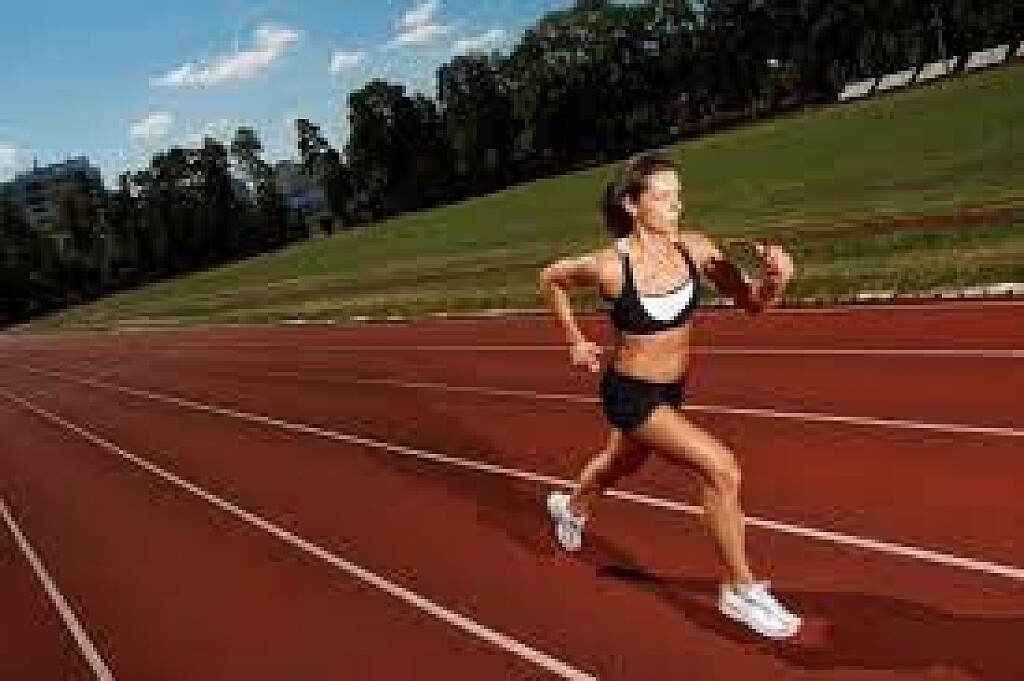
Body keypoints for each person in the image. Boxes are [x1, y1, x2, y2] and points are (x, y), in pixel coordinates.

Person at [538, 151, 801, 640]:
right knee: (721, 469)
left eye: (678, 196)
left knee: (618, 465)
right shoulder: (611, 268)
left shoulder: (695, 250)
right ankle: (740, 589)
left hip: (672, 389)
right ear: (632, 205)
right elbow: (551, 278)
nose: (677, 206)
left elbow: (752, 304)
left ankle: (569, 508)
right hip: (630, 394)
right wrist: (574, 339)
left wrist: (774, 281)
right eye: (663, 197)